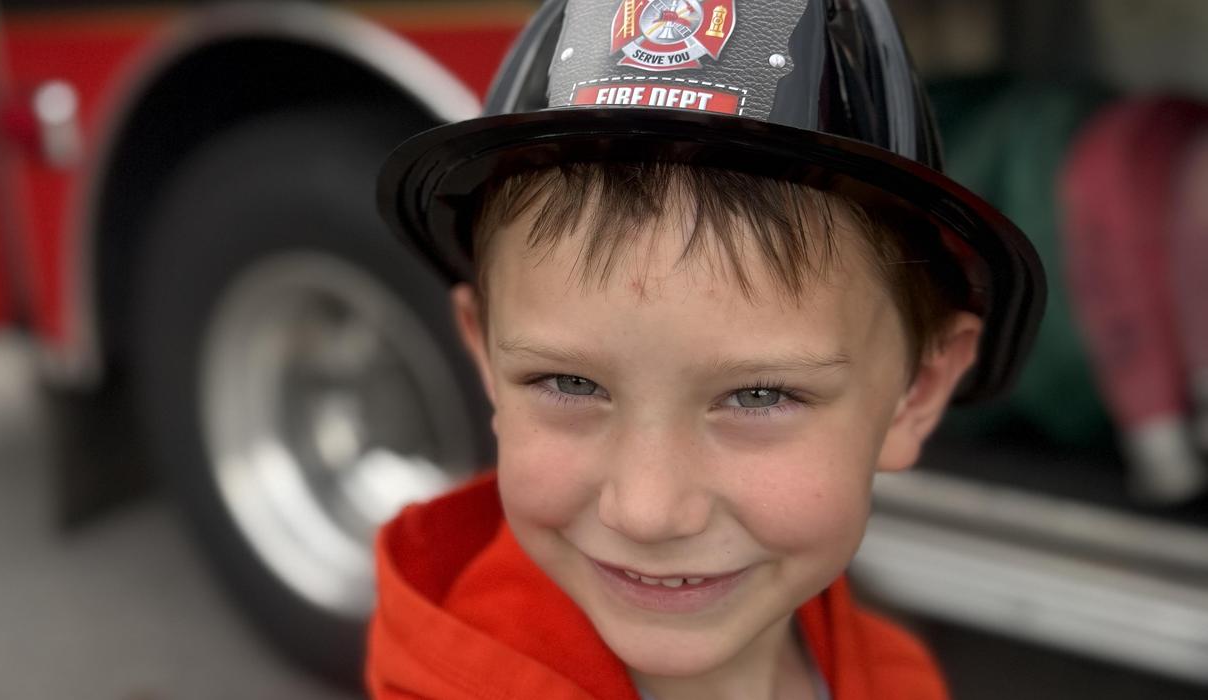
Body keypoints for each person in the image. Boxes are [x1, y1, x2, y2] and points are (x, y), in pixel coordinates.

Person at [368, 0, 1045, 698]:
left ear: (918, 389)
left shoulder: (899, 679)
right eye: (569, 384)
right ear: (484, 352)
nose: (648, 511)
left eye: (759, 395)